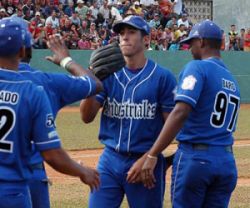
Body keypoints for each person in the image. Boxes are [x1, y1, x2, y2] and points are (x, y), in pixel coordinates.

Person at [0, 18, 100, 208]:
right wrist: (65, 59)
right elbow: (94, 84)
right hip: (21, 182)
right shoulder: (39, 87)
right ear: (24, 50)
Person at [141, 20, 240, 208]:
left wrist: (153, 154)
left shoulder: (197, 67)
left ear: (201, 42)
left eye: (191, 43)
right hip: (226, 162)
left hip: (196, 161)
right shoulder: (231, 78)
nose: (189, 48)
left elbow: (180, 111)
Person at [80, 15, 177, 208]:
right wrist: (93, 79)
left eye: (132, 32)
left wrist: (150, 156)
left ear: (146, 39)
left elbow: (172, 126)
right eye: (121, 33)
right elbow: (86, 116)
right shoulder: (108, 75)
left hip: (146, 162)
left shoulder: (163, 77)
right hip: (110, 160)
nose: (125, 37)